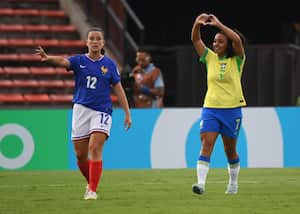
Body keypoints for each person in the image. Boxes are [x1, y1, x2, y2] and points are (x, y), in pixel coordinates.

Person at [35, 27, 132, 200]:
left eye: (98, 39)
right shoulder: (79, 61)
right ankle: (91, 182)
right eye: (92, 39)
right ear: (87, 42)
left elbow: (118, 89)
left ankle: (92, 191)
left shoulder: (109, 65)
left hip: (102, 111)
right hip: (81, 110)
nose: (95, 42)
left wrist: (127, 113)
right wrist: (48, 58)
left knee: (95, 148)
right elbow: (64, 62)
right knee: (80, 155)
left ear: (102, 43)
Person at [190, 13, 247, 195]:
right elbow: (196, 39)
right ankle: (200, 184)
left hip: (232, 111)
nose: (216, 44)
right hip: (211, 109)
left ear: (228, 44)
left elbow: (237, 39)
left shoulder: (237, 59)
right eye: (214, 41)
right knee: (206, 144)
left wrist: (219, 24)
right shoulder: (209, 58)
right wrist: (197, 24)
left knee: (230, 150)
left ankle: (233, 183)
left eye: (220, 41)